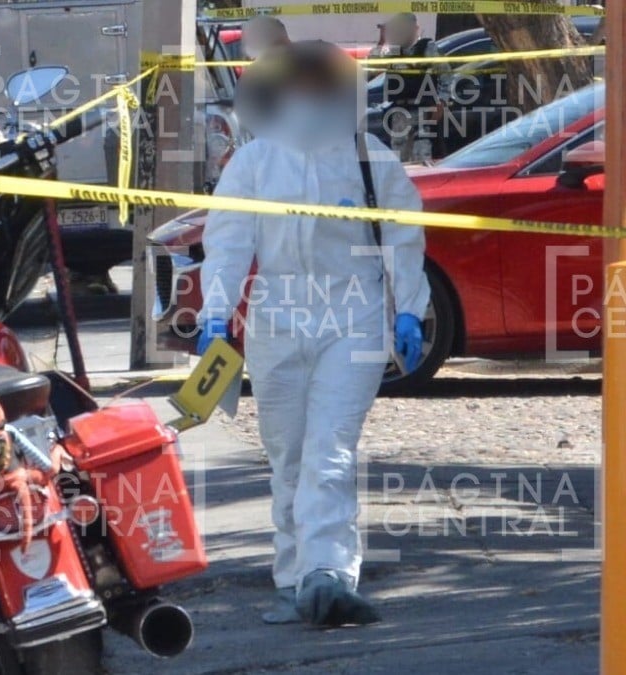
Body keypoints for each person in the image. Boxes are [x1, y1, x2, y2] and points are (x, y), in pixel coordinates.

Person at [199, 41, 428, 628]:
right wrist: (214, 317)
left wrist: (409, 310)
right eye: (297, 87)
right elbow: (227, 245)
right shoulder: (252, 164)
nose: (308, 99)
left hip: (353, 319)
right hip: (277, 320)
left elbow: (404, 238)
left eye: (319, 87)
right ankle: (292, 576)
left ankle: (327, 573)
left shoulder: (370, 160)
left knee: (330, 449)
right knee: (288, 454)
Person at [377, 12, 452, 162]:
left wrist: (441, 102)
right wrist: (383, 39)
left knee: (422, 156)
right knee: (399, 158)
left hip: (423, 111)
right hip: (399, 112)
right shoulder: (394, 50)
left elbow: (447, 76)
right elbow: (376, 63)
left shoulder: (427, 48)